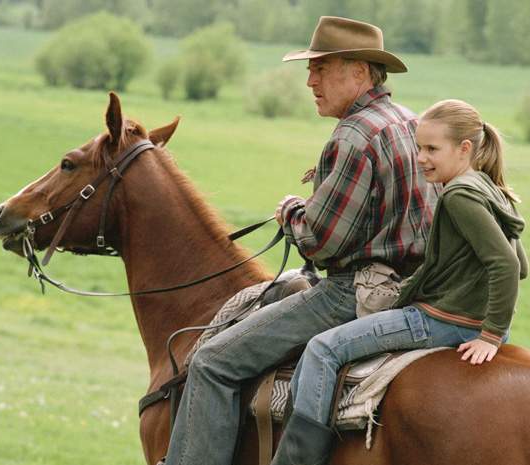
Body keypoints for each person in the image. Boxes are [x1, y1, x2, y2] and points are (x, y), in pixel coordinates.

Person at [161, 16, 438, 465]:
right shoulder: (411, 121)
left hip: (352, 293)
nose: (310, 80)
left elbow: (321, 243)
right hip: (416, 288)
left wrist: (291, 211)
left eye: (321, 68)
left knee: (212, 361)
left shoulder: (354, 134)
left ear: (360, 71)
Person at [271, 99, 529, 465]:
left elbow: (503, 263)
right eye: (418, 148)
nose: (421, 158)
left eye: (432, 149)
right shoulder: (489, 188)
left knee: (322, 350)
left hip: (442, 321)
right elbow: (521, 264)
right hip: (464, 318)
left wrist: (490, 334)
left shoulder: (457, 196)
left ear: (465, 148)